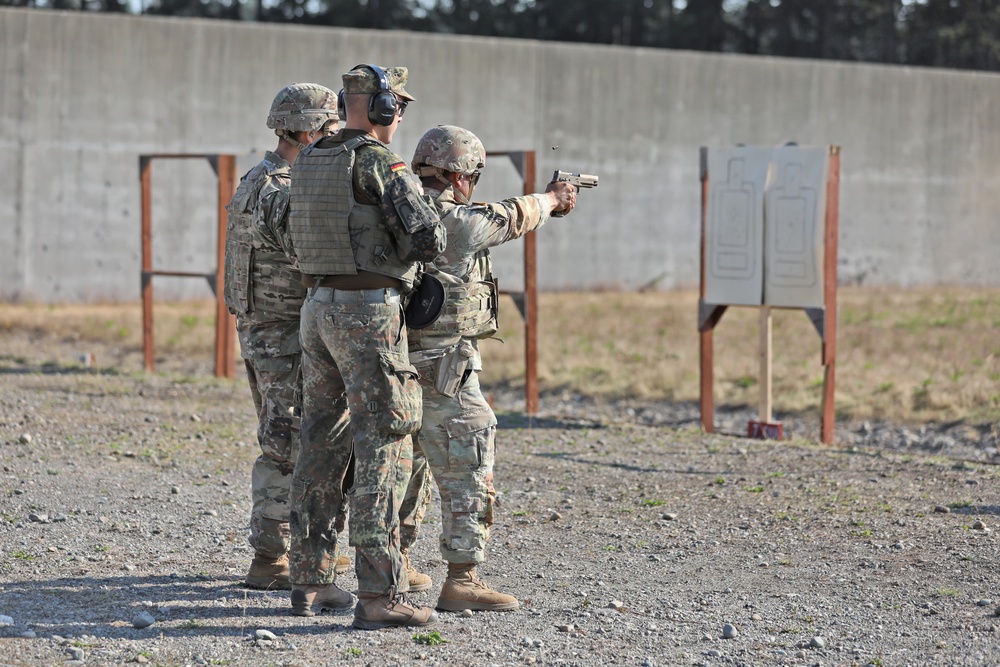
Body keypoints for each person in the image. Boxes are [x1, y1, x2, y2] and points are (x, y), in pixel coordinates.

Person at [287, 64, 447, 629]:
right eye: (397, 104)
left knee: (320, 442)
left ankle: (310, 579)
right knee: (386, 441)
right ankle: (379, 595)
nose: (399, 114)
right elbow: (430, 235)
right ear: (381, 107)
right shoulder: (380, 161)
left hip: (317, 308)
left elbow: (290, 231)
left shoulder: (311, 157)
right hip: (366, 312)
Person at [401, 125, 576, 612]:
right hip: (444, 364)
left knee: (407, 462)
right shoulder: (451, 220)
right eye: (473, 177)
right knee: (469, 459)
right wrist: (551, 200)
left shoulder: (393, 209)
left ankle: (397, 561)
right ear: (460, 177)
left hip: (394, 361)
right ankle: (463, 577)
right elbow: (499, 219)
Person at [222, 83, 351, 591]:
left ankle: (279, 551)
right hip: (282, 334)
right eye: (331, 128)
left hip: (267, 329)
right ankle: (273, 557)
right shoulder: (280, 188)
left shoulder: (262, 178)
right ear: (305, 130)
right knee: (289, 440)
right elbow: (308, 252)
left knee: (283, 436)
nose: (336, 137)